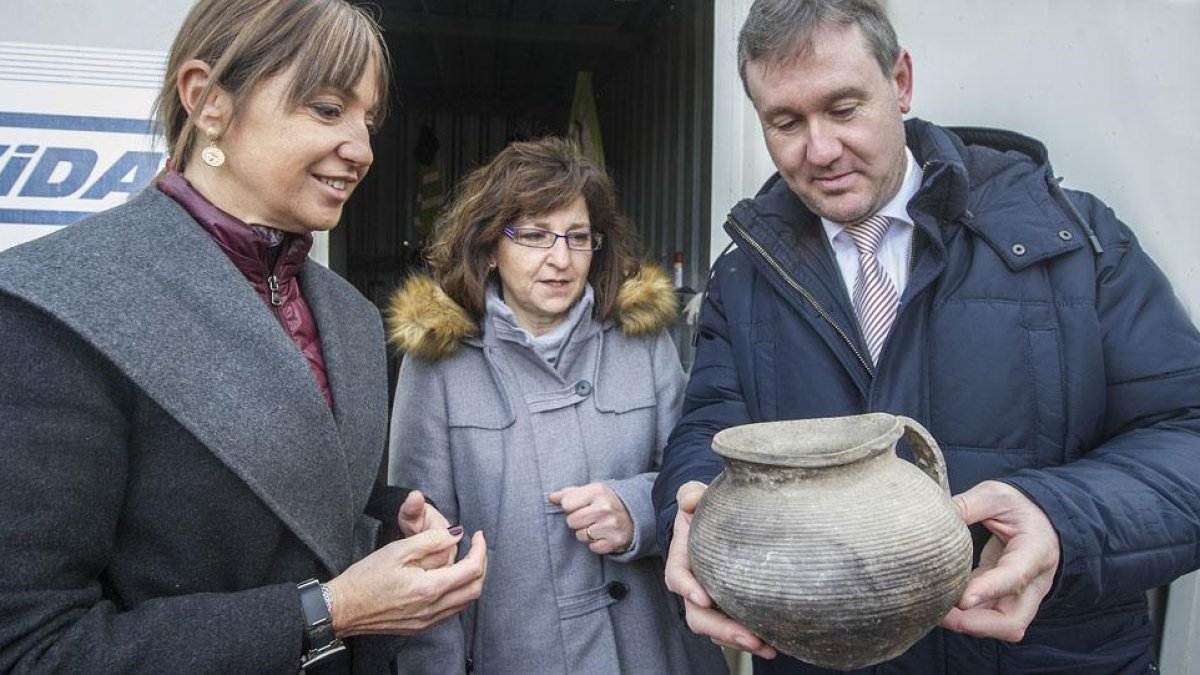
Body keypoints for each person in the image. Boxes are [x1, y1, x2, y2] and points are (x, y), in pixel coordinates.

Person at [651, 0, 1200, 673]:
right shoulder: (744, 276)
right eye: (785, 122)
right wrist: (692, 519)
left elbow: (1187, 434)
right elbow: (707, 436)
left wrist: (1062, 520)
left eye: (844, 107)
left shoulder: (1072, 241)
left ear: (901, 81)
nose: (819, 150)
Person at [0, 1, 487, 672]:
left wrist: (390, 516)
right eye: (326, 109)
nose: (363, 149)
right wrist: (328, 610)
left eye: (368, 120)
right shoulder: (55, 305)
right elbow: (34, 646)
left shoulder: (347, 314)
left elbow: (298, 512)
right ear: (207, 102)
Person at [386, 137, 728, 674]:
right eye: (534, 235)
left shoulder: (644, 343)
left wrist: (638, 509)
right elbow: (424, 556)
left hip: (653, 654)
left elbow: (704, 481)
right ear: (489, 247)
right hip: (514, 654)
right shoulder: (438, 366)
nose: (561, 259)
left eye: (578, 237)